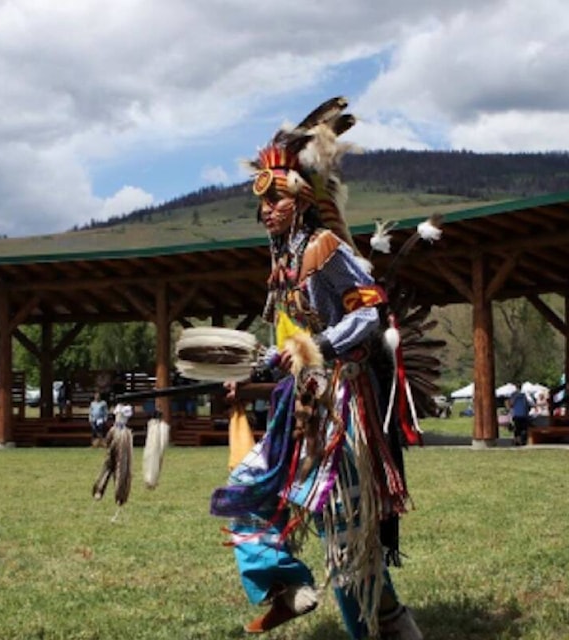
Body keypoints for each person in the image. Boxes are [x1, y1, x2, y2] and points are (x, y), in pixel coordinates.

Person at [209, 98, 424, 640]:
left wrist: (320, 346)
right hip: (300, 405)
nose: (266, 212)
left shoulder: (324, 248)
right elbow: (288, 342)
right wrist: (257, 364)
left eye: (275, 199)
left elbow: (370, 312)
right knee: (246, 489)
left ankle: (384, 625)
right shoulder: (282, 266)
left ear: (301, 200)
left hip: (343, 405)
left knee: (344, 533)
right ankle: (287, 587)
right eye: (262, 202)